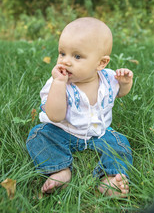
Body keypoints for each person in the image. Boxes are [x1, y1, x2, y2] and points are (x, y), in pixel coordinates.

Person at [26, 17, 133, 197]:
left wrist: (124, 83)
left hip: (99, 132)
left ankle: (111, 179)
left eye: (76, 56)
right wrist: (59, 84)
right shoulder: (57, 83)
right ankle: (59, 169)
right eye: (62, 53)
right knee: (38, 135)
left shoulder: (108, 78)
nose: (65, 61)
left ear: (101, 63)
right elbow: (55, 115)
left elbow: (120, 93)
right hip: (62, 131)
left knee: (119, 143)